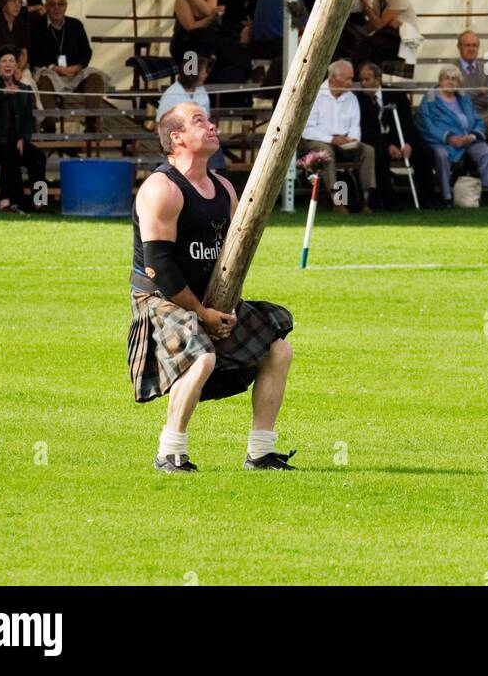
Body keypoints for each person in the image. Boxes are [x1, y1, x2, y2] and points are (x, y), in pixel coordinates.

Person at [128, 103, 294, 472]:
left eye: (209, 120)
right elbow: (160, 269)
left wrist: (226, 306)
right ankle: (170, 453)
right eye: (199, 121)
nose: (212, 125)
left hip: (211, 297)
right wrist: (202, 314)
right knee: (201, 357)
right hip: (159, 298)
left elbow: (234, 253)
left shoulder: (222, 187)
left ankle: (261, 453)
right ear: (177, 138)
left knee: (279, 351)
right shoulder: (162, 188)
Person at [356, 60, 433, 210]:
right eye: (361, 80)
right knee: (378, 156)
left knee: (426, 153)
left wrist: (408, 144)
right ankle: (390, 202)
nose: (363, 84)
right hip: (379, 143)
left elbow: (408, 123)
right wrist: (388, 146)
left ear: (378, 79)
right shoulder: (360, 101)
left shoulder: (396, 94)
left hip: (402, 140)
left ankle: (427, 198)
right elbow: (365, 131)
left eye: (367, 79)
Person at [301, 60, 376, 211]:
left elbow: (355, 127)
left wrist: (353, 139)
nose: (351, 83)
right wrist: (332, 139)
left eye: (351, 78)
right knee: (325, 152)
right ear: (333, 79)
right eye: (347, 79)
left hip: (344, 143)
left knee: (368, 150)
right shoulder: (315, 95)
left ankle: (367, 200)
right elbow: (307, 130)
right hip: (317, 141)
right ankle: (337, 202)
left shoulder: (352, 98)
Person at [416, 66, 488, 207]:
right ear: (440, 81)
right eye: (447, 78)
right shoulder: (430, 96)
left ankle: (480, 192)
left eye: (454, 79)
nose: (450, 82)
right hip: (441, 140)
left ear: (458, 83)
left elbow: (477, 120)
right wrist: (448, 137)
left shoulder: (463, 97)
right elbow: (425, 124)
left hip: (466, 140)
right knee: (442, 155)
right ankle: (446, 196)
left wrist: (472, 136)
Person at [29, 0, 106, 131]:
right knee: (45, 80)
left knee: (96, 78)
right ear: (46, 6)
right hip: (51, 72)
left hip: (73, 72)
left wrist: (77, 67)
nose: (56, 8)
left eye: (61, 4)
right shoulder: (37, 27)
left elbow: (86, 51)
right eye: (52, 4)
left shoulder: (76, 25)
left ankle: (92, 123)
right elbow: (34, 55)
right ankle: (49, 126)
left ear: (66, 6)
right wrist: (54, 68)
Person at [0, 47, 46, 213]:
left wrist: (23, 138)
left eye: (11, 61)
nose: (8, 64)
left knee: (39, 157)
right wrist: (4, 92)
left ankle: (40, 200)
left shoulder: (24, 89)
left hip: (16, 141)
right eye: (4, 61)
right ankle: (6, 201)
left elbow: (28, 119)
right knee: (10, 154)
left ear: (16, 66)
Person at [171, 0, 250, 84]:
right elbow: (191, 28)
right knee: (196, 51)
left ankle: (243, 75)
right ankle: (189, 85)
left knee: (229, 49)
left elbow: (208, 10)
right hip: (186, 41)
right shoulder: (181, 0)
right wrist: (212, 17)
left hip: (209, 39)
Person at [156, 59, 226, 172]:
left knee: (211, 138)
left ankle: (213, 173)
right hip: (181, 137)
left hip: (199, 133)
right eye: (203, 72)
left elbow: (206, 117)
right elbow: (160, 124)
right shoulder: (171, 94)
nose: (206, 75)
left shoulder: (201, 91)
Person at [352, 0, 419, 69]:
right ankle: (366, 77)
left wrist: (364, 1)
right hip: (386, 37)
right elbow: (374, 24)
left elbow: (378, 25)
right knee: (358, 42)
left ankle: (356, 76)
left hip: (403, 40)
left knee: (368, 44)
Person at [454, 31, 488, 158]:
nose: (471, 49)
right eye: (467, 45)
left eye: (475, 45)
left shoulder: (485, 68)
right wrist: (479, 91)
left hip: (483, 116)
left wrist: (468, 94)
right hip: (460, 116)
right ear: (459, 47)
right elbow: (456, 96)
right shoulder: (452, 69)